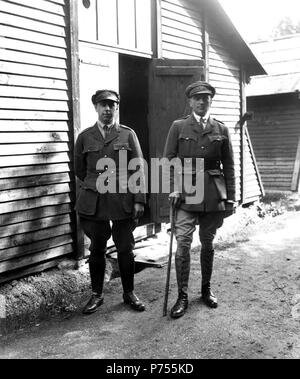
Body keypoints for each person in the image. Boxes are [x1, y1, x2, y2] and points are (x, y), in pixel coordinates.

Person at [163, 81, 236, 319]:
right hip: (185, 193)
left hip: (214, 193)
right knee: (183, 242)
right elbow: (169, 160)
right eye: (197, 98)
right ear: (190, 102)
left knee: (208, 242)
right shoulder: (178, 126)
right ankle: (182, 295)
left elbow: (230, 166)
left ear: (210, 101)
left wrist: (231, 198)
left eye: (206, 98)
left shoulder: (221, 129)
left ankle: (206, 289)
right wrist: (172, 188)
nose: (202, 102)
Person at [75, 89, 147, 315]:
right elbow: (79, 170)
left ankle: (129, 293)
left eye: (112, 105)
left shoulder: (127, 134)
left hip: (122, 200)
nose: (107, 109)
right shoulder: (85, 136)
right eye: (103, 105)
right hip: (94, 203)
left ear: (117, 108)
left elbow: (138, 168)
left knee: (125, 248)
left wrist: (139, 200)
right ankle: (97, 295)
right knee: (96, 249)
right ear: (95, 107)